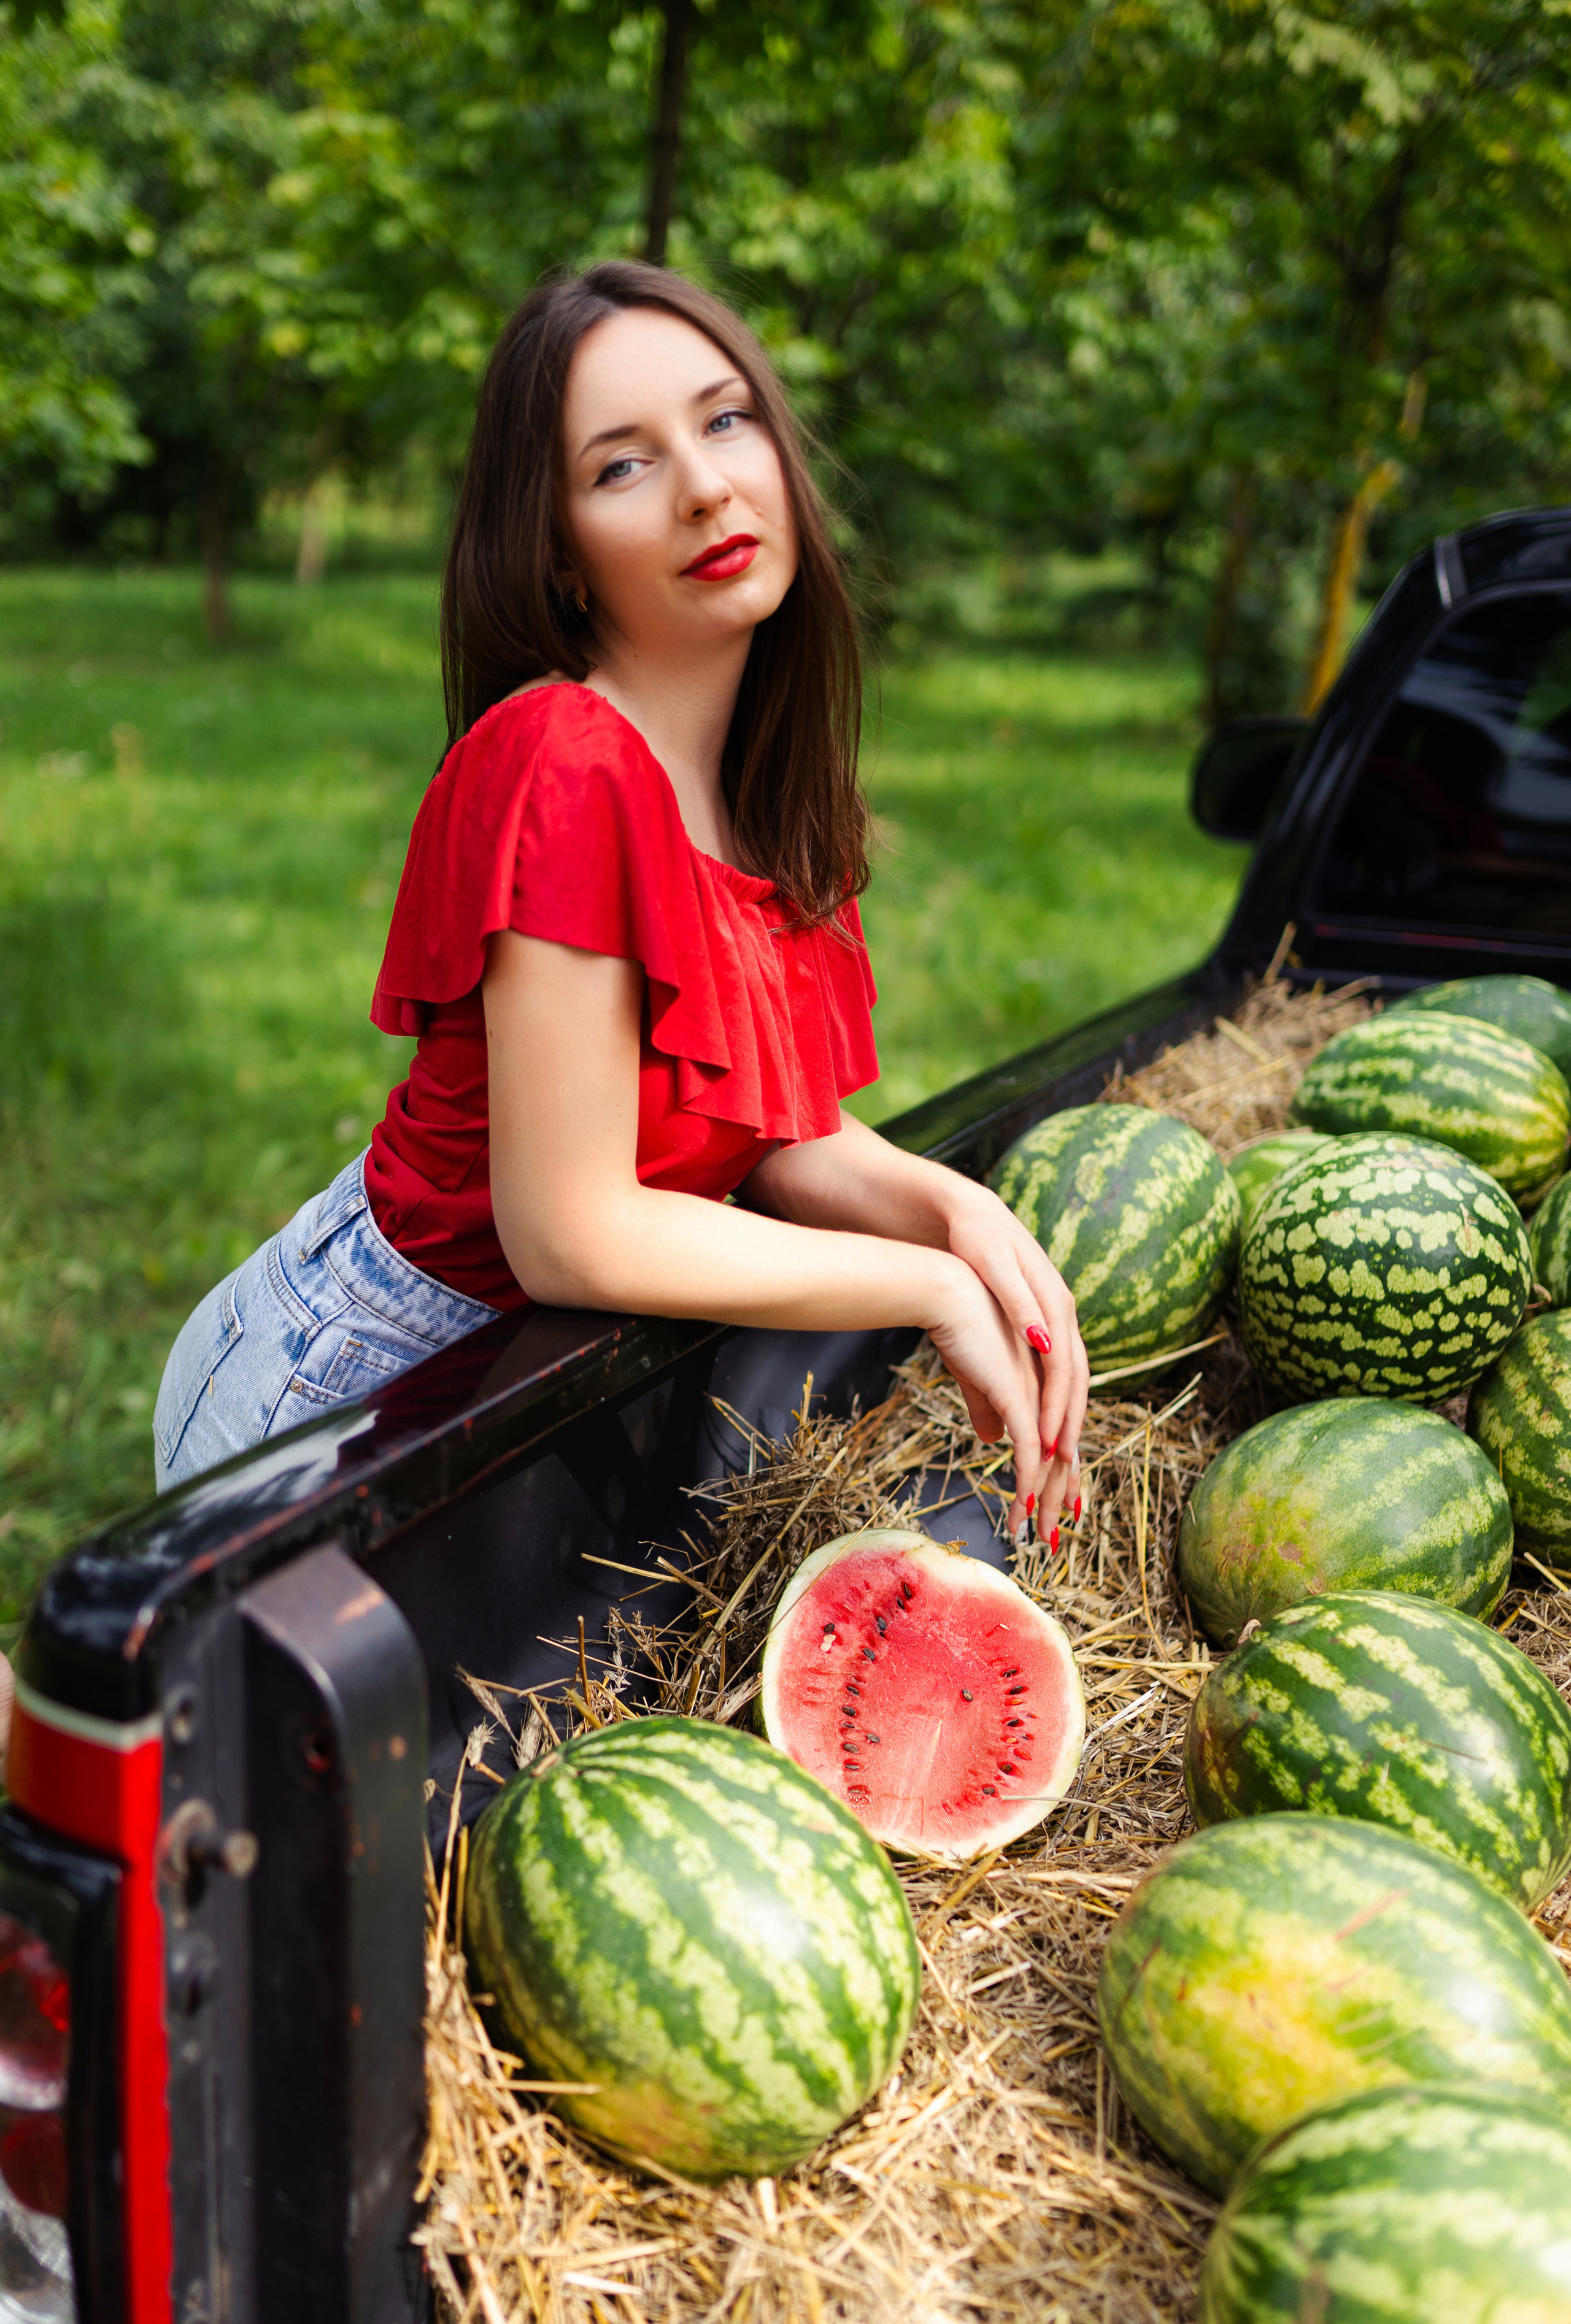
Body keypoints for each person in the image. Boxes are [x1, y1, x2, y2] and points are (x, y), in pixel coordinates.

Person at [153, 261, 1089, 1536]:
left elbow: (767, 1132)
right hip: (350, 1388)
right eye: (622, 466)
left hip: (511, 1389)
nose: (704, 485)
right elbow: (572, 1233)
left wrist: (956, 1211)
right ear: (562, 559)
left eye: (723, 420)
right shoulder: (564, 758)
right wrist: (922, 1285)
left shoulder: (757, 792)